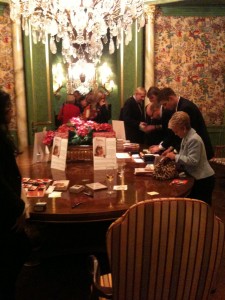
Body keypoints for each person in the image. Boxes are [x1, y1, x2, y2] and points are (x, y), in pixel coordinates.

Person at [0, 90, 31, 299]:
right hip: (5, 211)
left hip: (7, 205)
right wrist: (19, 207)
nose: (12, 112)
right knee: (12, 255)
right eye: (9, 108)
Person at [149, 87, 214, 160]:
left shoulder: (186, 107)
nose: (165, 107)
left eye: (165, 104)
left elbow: (185, 133)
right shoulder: (178, 106)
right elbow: (178, 134)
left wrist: (174, 152)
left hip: (199, 149)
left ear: (171, 98)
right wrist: (171, 148)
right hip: (191, 148)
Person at [166, 111, 215, 205]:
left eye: (176, 131)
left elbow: (193, 161)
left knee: (201, 210)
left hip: (203, 179)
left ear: (184, 128)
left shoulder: (194, 139)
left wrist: (175, 156)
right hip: (197, 177)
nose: (175, 134)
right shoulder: (186, 137)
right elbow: (185, 154)